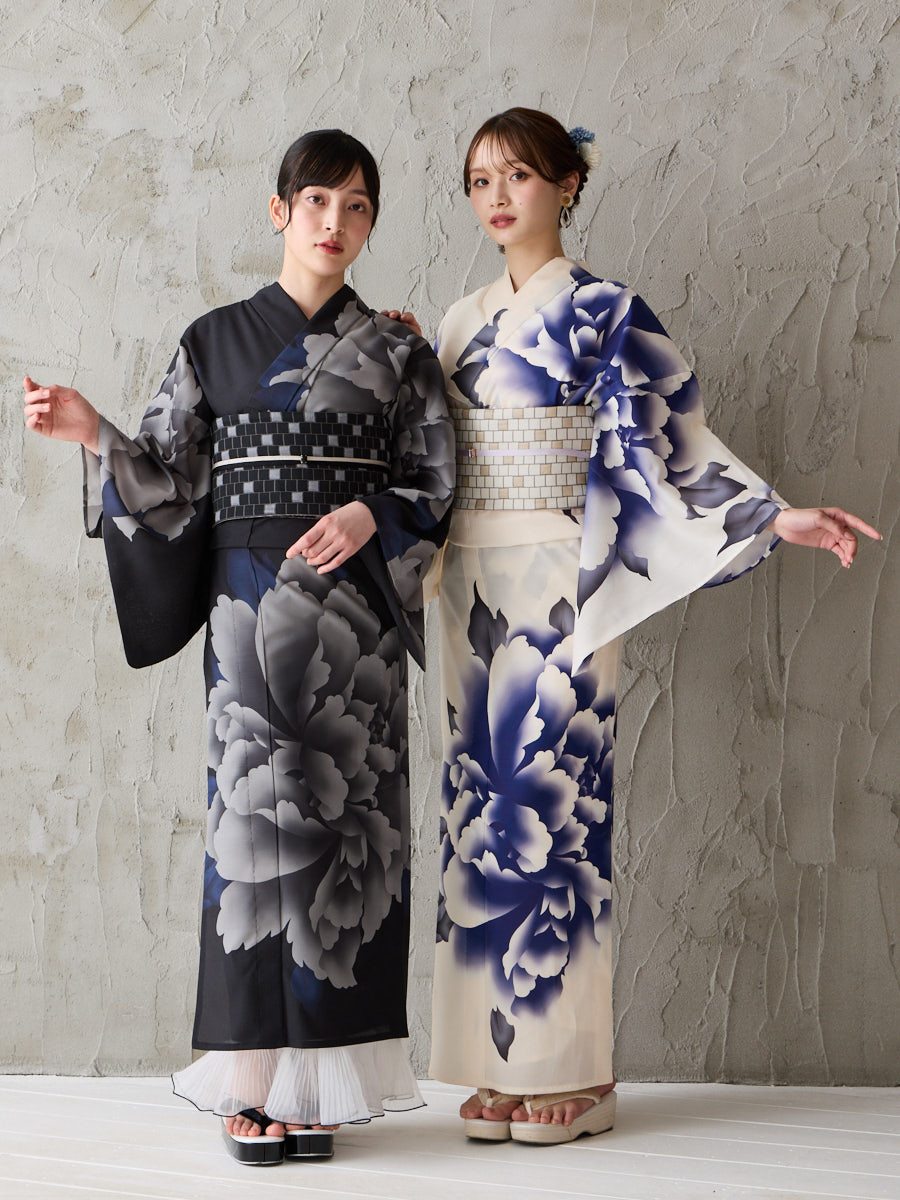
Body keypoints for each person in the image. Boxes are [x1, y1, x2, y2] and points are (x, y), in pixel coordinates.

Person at [388, 106, 880, 1146]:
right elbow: (425, 449)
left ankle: (579, 1071)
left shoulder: (607, 310)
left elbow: (673, 445)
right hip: (467, 576)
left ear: (567, 184)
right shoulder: (459, 319)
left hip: (562, 576)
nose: (496, 197)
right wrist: (393, 357)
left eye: (518, 176)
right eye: (478, 181)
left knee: (558, 807)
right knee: (478, 806)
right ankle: (495, 1066)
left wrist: (774, 516)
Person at [23, 129, 455, 1166]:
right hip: (248, 617)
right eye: (317, 202)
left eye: (357, 207)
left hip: (354, 624)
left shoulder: (400, 354)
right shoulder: (213, 341)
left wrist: (371, 514)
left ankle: (322, 1085)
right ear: (279, 211)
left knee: (350, 836)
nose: (335, 223)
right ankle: (252, 1083)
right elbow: (171, 485)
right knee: (253, 838)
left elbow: (438, 484)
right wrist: (94, 432)